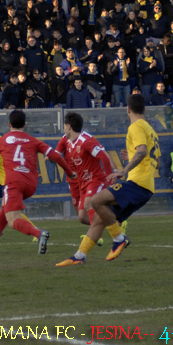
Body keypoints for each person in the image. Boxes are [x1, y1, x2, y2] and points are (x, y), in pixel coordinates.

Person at [0, 110, 75, 254]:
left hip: (13, 183)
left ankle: (39, 234)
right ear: (25, 124)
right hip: (31, 184)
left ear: (9, 124)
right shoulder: (33, 140)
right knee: (5, 207)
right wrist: (69, 172)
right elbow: (55, 156)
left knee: (13, 221)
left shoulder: (2, 141)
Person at [64, 94, 159, 264]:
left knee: (96, 200)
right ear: (144, 109)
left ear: (127, 109)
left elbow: (142, 151)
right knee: (99, 219)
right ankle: (79, 257)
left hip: (138, 183)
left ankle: (119, 238)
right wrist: (131, 157)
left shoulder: (135, 126)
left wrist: (124, 170)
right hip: (146, 185)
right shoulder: (150, 129)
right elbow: (151, 156)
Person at [54, 112, 116, 266]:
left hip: (96, 179)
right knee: (82, 217)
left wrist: (110, 177)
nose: (64, 129)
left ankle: (115, 235)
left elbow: (103, 157)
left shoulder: (86, 141)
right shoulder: (69, 142)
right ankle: (115, 222)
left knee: (89, 204)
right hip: (83, 183)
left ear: (69, 127)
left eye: (64, 126)